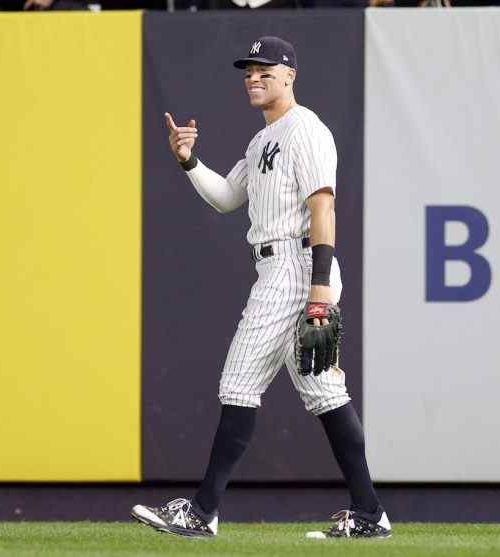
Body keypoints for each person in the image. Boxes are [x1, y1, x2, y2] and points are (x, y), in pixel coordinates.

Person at [131, 36, 391, 540]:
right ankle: (369, 513)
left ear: (290, 75)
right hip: (280, 268)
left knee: (238, 383)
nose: (254, 77)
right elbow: (228, 197)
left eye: (265, 70)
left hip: (297, 268)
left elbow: (323, 210)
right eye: (249, 70)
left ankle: (203, 511)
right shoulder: (262, 140)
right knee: (326, 395)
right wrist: (189, 160)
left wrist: (319, 288)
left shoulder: (305, 130)